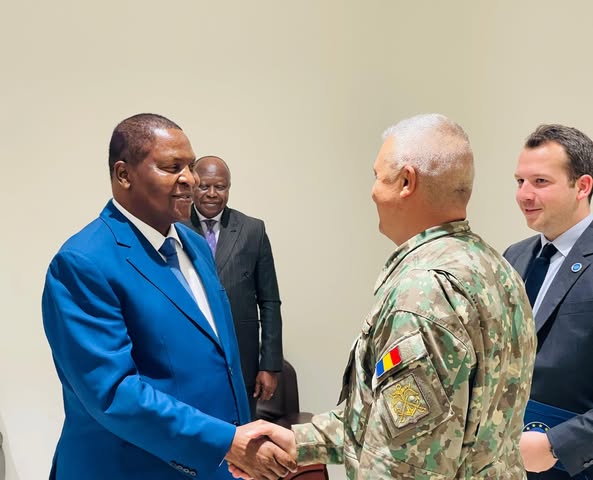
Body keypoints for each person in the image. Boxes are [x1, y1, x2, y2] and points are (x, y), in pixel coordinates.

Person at [237, 113, 536, 479]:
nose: (373, 192)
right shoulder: (496, 268)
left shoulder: (424, 293)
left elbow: (406, 463)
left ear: (407, 181)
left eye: (377, 176)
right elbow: (392, 418)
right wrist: (300, 440)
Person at [42, 113, 295, 480]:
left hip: (216, 464)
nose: (190, 179)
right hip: (132, 469)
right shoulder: (82, 262)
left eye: (190, 166)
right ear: (124, 175)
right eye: (172, 167)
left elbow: (220, 358)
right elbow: (113, 393)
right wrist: (225, 442)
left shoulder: (193, 244)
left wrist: (241, 445)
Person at [504, 124, 593, 480]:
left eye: (540, 182)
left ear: (582, 186)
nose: (524, 195)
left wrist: (559, 444)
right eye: (520, 181)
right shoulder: (514, 257)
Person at [184, 155, 283, 418]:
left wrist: (269, 365)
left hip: (242, 360)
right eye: (204, 186)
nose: (212, 194)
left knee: (242, 432)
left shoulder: (252, 230)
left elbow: (270, 301)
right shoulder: (174, 227)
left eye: (220, 186)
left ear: (229, 187)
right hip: (189, 357)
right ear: (192, 186)